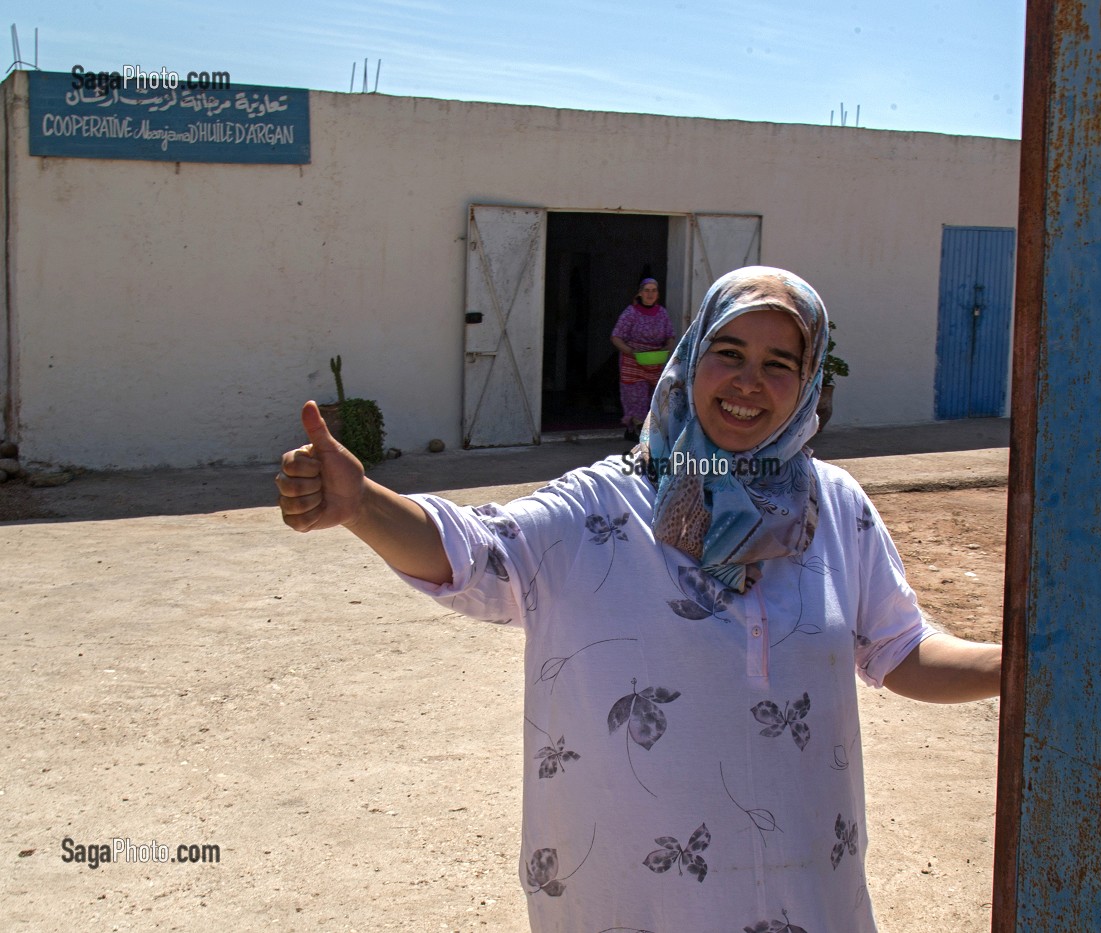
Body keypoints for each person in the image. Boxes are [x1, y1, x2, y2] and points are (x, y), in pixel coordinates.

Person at [275, 266, 1001, 932]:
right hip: (642, 900)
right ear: (690, 361)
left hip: (807, 891)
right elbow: (475, 553)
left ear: (809, 383)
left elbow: (901, 648)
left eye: (780, 363)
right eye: (730, 353)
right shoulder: (603, 505)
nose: (749, 382)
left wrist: (1015, 665)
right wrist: (363, 505)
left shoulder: (834, 508)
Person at [609, 277, 677, 442]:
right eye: (647, 290)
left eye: (654, 290)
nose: (650, 294)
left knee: (656, 398)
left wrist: (666, 348)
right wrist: (631, 352)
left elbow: (670, 337)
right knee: (636, 397)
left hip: (655, 361)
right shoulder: (631, 313)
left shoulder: (662, 313)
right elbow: (616, 337)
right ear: (640, 293)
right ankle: (638, 431)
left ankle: (645, 431)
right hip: (634, 362)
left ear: (658, 294)